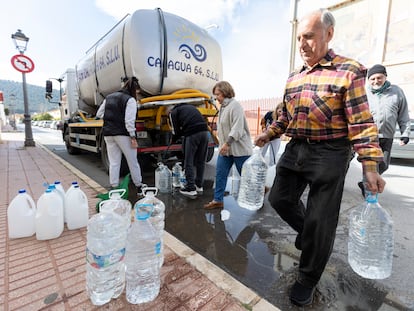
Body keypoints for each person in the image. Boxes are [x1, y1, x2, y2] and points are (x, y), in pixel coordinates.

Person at [254, 9, 386, 307]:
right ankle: (308, 234)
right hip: (296, 148)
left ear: (329, 34)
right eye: (300, 38)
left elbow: (362, 123)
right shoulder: (293, 78)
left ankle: (307, 277)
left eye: (309, 37)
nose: (302, 44)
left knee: (321, 220)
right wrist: (269, 134)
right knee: (280, 198)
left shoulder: (349, 72)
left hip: (331, 152)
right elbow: (284, 118)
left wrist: (370, 166)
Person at [357, 64, 411, 196]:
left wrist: (405, 133)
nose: (376, 81)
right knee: (371, 165)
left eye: (379, 78)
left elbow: (403, 114)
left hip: (387, 136)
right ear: (369, 80)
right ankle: (368, 192)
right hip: (369, 136)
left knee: (384, 165)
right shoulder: (364, 93)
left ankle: (366, 181)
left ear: (385, 77)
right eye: (372, 79)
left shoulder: (396, 91)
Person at [204, 81, 253, 210]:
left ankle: (260, 190)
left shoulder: (235, 106)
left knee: (247, 177)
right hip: (226, 149)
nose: (216, 98)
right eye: (215, 95)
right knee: (220, 174)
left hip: (239, 149)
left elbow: (237, 128)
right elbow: (222, 129)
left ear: (226, 92)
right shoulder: (223, 108)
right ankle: (218, 200)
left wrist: (228, 143)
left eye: (218, 95)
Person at [96, 77, 144, 192]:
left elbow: (99, 113)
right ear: (134, 89)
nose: (137, 94)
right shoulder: (130, 100)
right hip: (123, 134)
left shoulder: (109, 97)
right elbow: (129, 121)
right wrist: (133, 136)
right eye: (137, 92)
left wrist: (111, 119)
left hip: (108, 134)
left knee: (114, 161)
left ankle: (114, 186)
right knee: (132, 160)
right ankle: (138, 185)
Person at [168, 103, 209, 198]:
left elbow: (176, 131)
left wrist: (173, 140)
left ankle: (190, 188)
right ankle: (199, 186)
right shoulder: (189, 107)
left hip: (193, 133)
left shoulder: (173, 112)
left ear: (169, 111)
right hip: (205, 132)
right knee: (200, 161)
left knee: (188, 161)